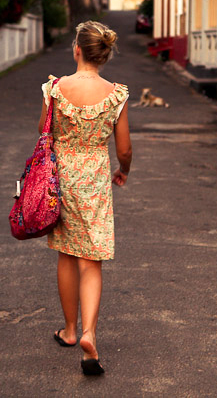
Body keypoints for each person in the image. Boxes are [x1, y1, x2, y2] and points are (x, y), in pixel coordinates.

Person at [38, 21, 132, 376]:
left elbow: (41, 130)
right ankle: (90, 334)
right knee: (91, 259)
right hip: (94, 177)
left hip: (61, 177)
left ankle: (70, 330)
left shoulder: (55, 88)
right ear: (103, 55)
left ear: (76, 50)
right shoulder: (117, 94)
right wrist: (124, 169)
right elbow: (123, 148)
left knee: (66, 253)